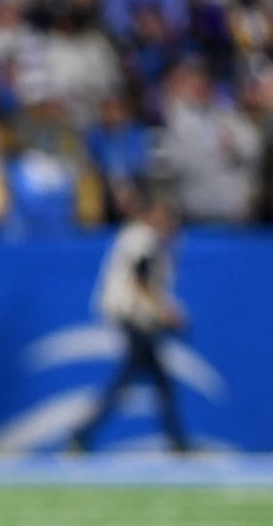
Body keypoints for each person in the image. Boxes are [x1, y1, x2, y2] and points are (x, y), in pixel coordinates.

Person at [66, 194, 190, 454]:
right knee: (129, 384)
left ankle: (177, 442)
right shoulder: (143, 237)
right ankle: (82, 434)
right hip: (134, 317)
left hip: (135, 317)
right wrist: (165, 311)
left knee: (153, 383)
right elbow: (140, 278)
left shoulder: (138, 236)